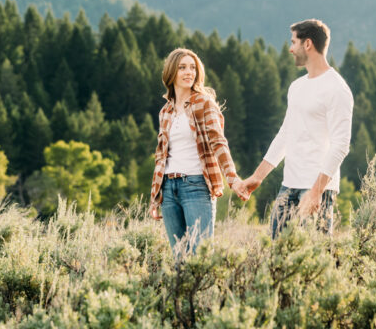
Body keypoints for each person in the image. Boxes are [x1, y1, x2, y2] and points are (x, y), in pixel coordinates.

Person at [233, 19, 353, 238]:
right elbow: (285, 135)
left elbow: (341, 145)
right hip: (288, 186)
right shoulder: (297, 87)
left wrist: (316, 191)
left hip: (318, 189)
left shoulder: (337, 89)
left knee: (316, 261)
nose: (290, 49)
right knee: (277, 259)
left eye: (293, 42)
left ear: (308, 44)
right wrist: (257, 177)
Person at [149, 48, 246, 257]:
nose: (188, 72)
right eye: (182, 67)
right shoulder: (165, 112)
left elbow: (218, 142)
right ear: (171, 72)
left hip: (196, 185)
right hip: (168, 189)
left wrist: (233, 178)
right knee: (179, 258)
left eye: (192, 68)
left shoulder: (203, 103)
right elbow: (161, 157)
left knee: (200, 257)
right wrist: (155, 197)